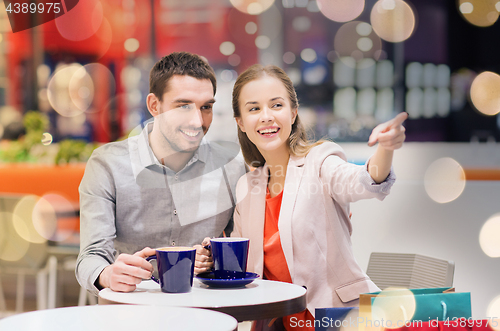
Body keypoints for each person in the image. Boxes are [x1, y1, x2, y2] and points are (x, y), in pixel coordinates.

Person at [229, 64, 407, 330]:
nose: (266, 116)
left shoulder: (320, 161)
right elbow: (239, 263)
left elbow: (365, 182)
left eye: (276, 105)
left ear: (293, 112)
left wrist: (385, 149)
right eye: (254, 108)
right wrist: (209, 255)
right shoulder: (247, 186)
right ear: (241, 122)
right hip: (276, 323)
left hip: (335, 319)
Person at [76, 52, 246, 296]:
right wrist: (108, 274)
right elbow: (91, 258)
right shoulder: (108, 164)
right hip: (131, 312)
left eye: (206, 107)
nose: (198, 121)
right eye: (183, 106)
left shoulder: (231, 166)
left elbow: (237, 247)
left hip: (204, 310)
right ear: (154, 106)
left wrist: (212, 258)